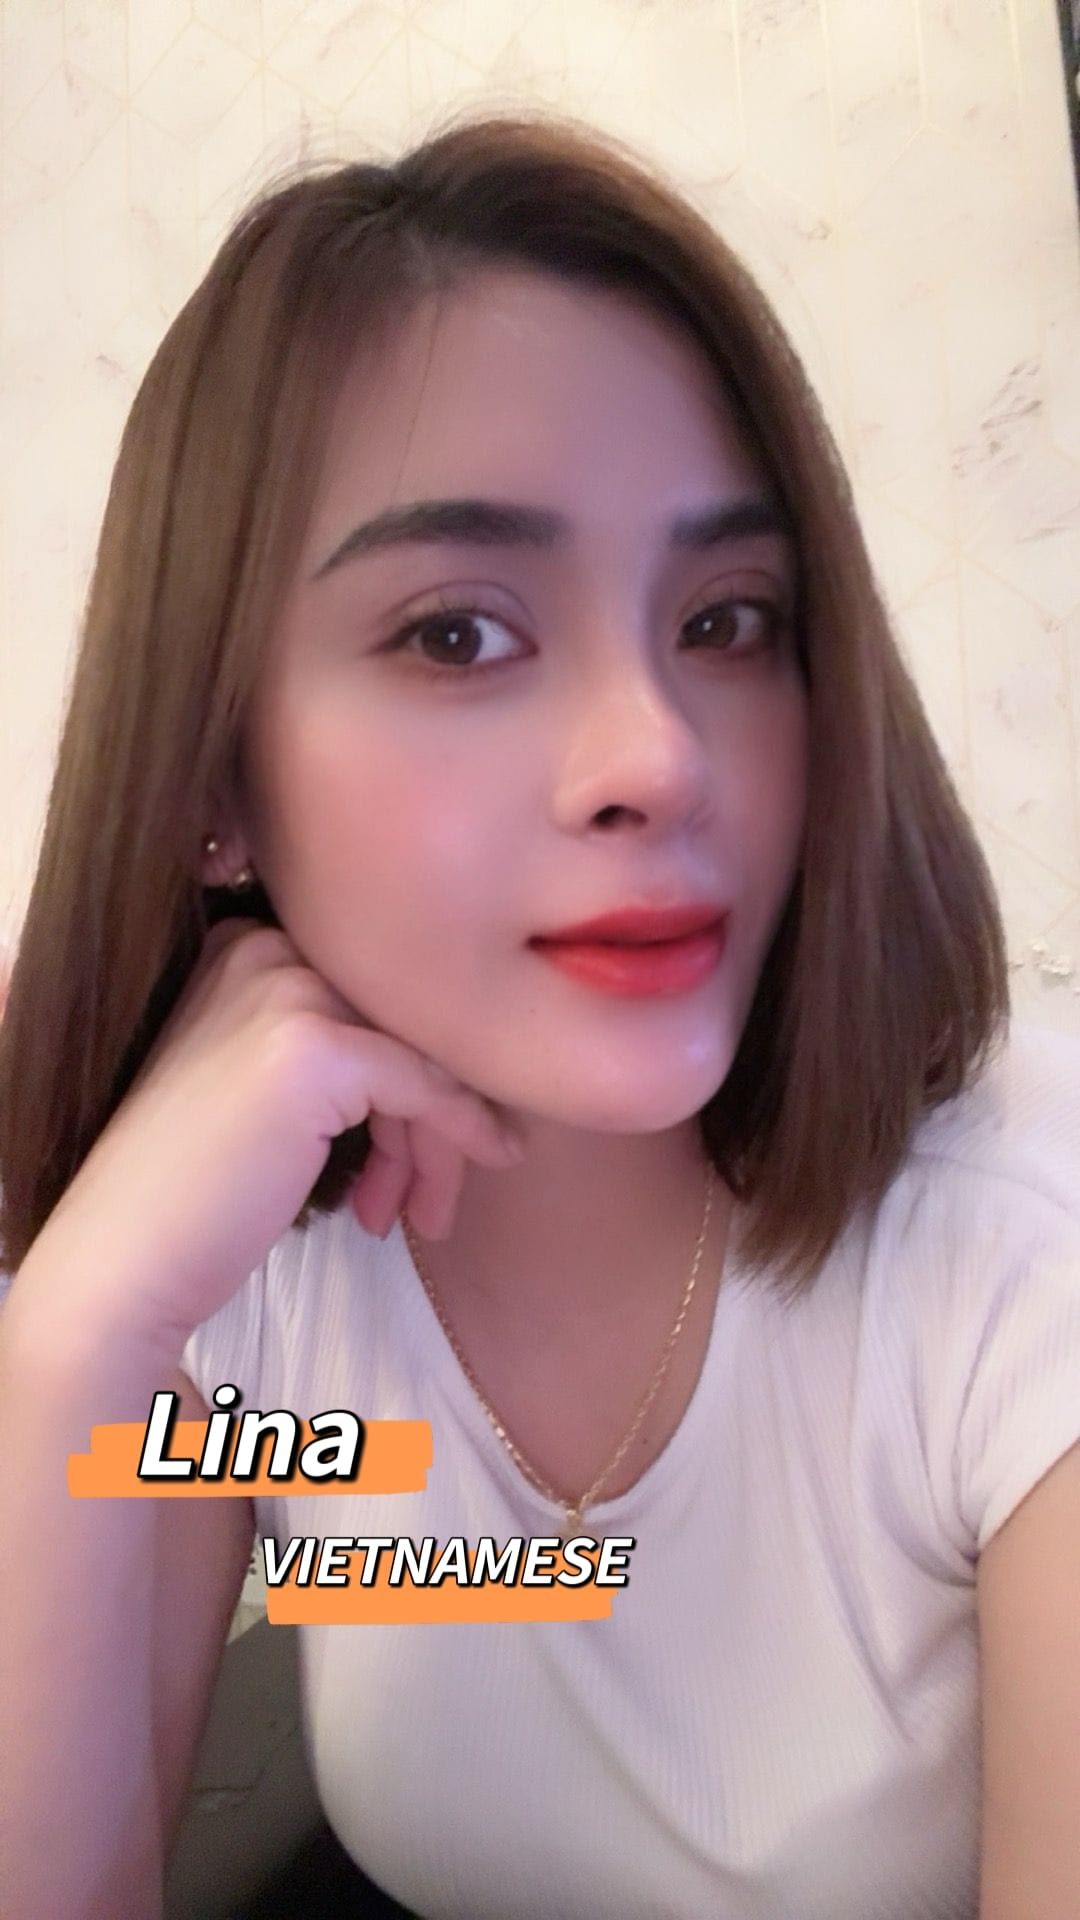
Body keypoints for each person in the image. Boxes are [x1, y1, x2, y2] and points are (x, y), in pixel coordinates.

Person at [0, 110, 1078, 1920]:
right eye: (458, 636)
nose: (657, 757)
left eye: (729, 621)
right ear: (215, 781)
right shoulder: (254, 1292)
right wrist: (70, 1340)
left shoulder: (1014, 1270)